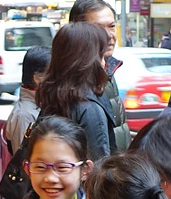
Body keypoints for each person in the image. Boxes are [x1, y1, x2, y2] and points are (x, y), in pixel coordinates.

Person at [36, 22, 114, 162]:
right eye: (100, 56)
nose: (104, 64)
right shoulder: (89, 109)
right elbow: (98, 171)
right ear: (87, 61)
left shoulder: (53, 99)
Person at [70, 0, 130, 153]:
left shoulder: (108, 68)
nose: (110, 35)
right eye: (99, 28)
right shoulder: (74, 84)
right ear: (78, 32)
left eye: (111, 26)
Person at [4, 45, 50, 150]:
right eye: (53, 73)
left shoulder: (40, 106)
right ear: (37, 78)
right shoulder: (24, 115)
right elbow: (23, 161)